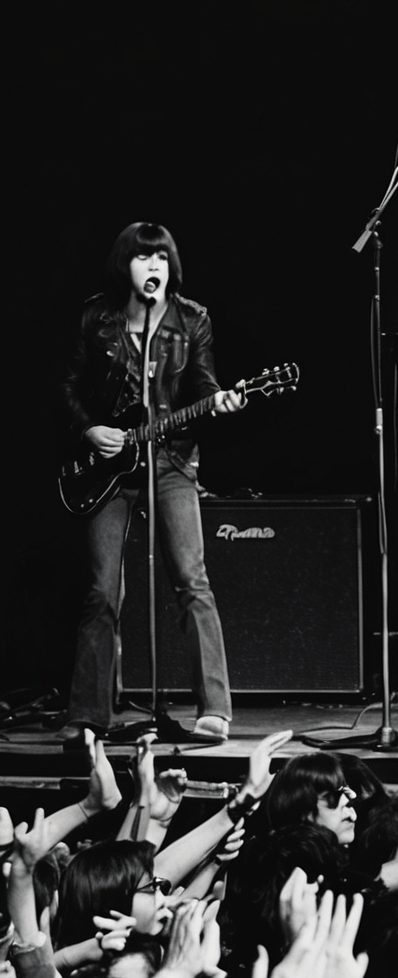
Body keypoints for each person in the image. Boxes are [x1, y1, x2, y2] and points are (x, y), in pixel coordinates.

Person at [61, 221, 246, 748]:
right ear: (127, 266)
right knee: (102, 591)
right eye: (144, 259)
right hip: (110, 466)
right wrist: (90, 430)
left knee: (192, 579)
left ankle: (215, 710)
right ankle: (88, 714)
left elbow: (203, 383)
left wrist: (222, 400)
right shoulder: (100, 317)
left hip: (171, 461)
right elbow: (69, 385)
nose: (154, 268)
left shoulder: (193, 320)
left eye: (161, 258)